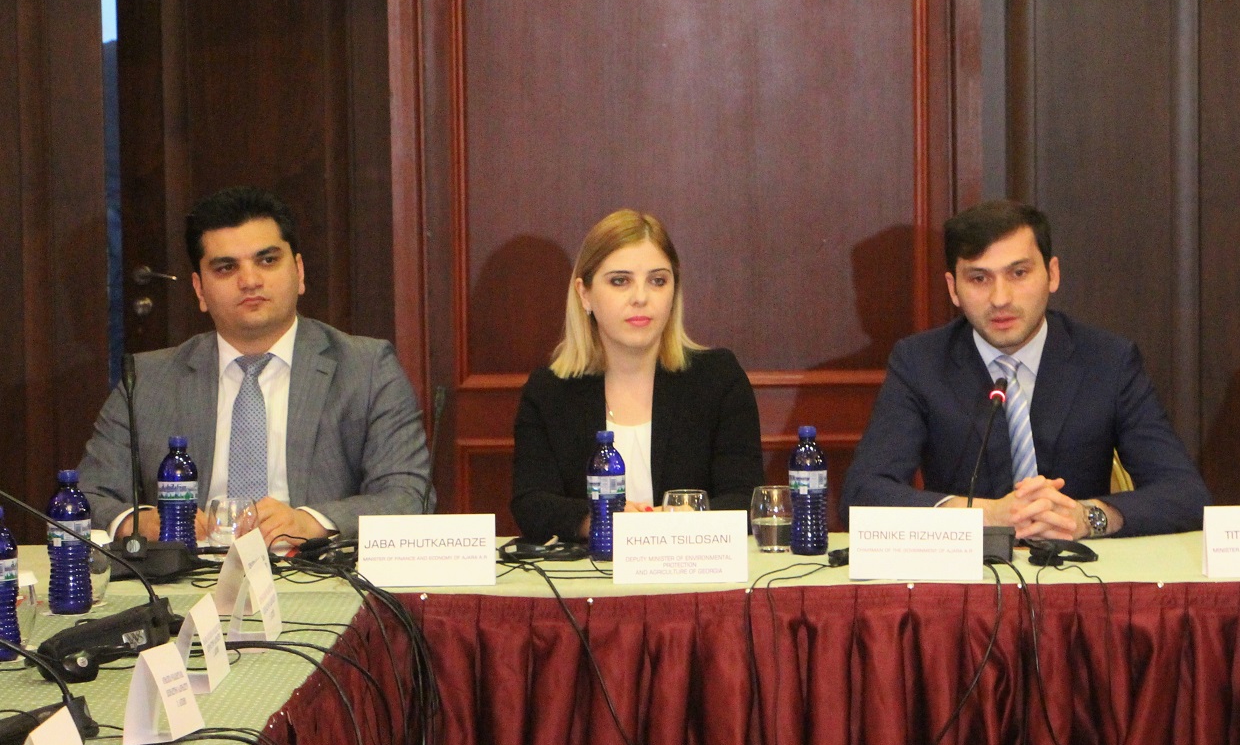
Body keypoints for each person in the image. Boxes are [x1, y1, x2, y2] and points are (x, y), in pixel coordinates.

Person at [80, 186, 435, 548]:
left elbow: (408, 495)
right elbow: (87, 496)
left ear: (299, 271)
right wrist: (136, 522)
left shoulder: (367, 369)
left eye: (267, 261)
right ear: (200, 290)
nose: (249, 281)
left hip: (313, 567)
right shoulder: (146, 380)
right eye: (226, 267)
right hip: (189, 572)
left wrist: (311, 522)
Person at [843, 200, 1209, 540]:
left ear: (1052, 274)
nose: (1000, 299)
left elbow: (1185, 495)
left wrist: (1086, 517)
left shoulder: (1108, 361)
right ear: (953, 289)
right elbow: (862, 495)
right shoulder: (920, 363)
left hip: (1081, 573)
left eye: (1018, 273)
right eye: (979, 278)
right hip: (969, 578)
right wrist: (984, 516)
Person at [510, 210, 764, 542]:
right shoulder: (549, 391)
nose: (641, 298)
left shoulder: (717, 379)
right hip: (591, 570)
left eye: (657, 281)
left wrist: (676, 520)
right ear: (585, 294)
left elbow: (746, 499)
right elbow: (531, 503)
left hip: (689, 565)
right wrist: (600, 522)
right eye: (620, 281)